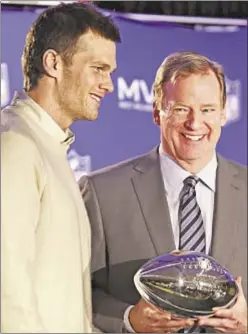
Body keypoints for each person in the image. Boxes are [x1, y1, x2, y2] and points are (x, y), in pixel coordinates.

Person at [79, 51, 247, 333]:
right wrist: (129, 319)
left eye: (207, 110)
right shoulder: (102, 193)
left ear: (223, 113)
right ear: (158, 112)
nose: (195, 123)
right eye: (181, 108)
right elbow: (75, 290)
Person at [1, 2, 120, 333]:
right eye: (98, 68)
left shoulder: (46, 147)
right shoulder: (17, 145)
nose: (108, 84)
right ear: (53, 63)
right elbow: (6, 294)